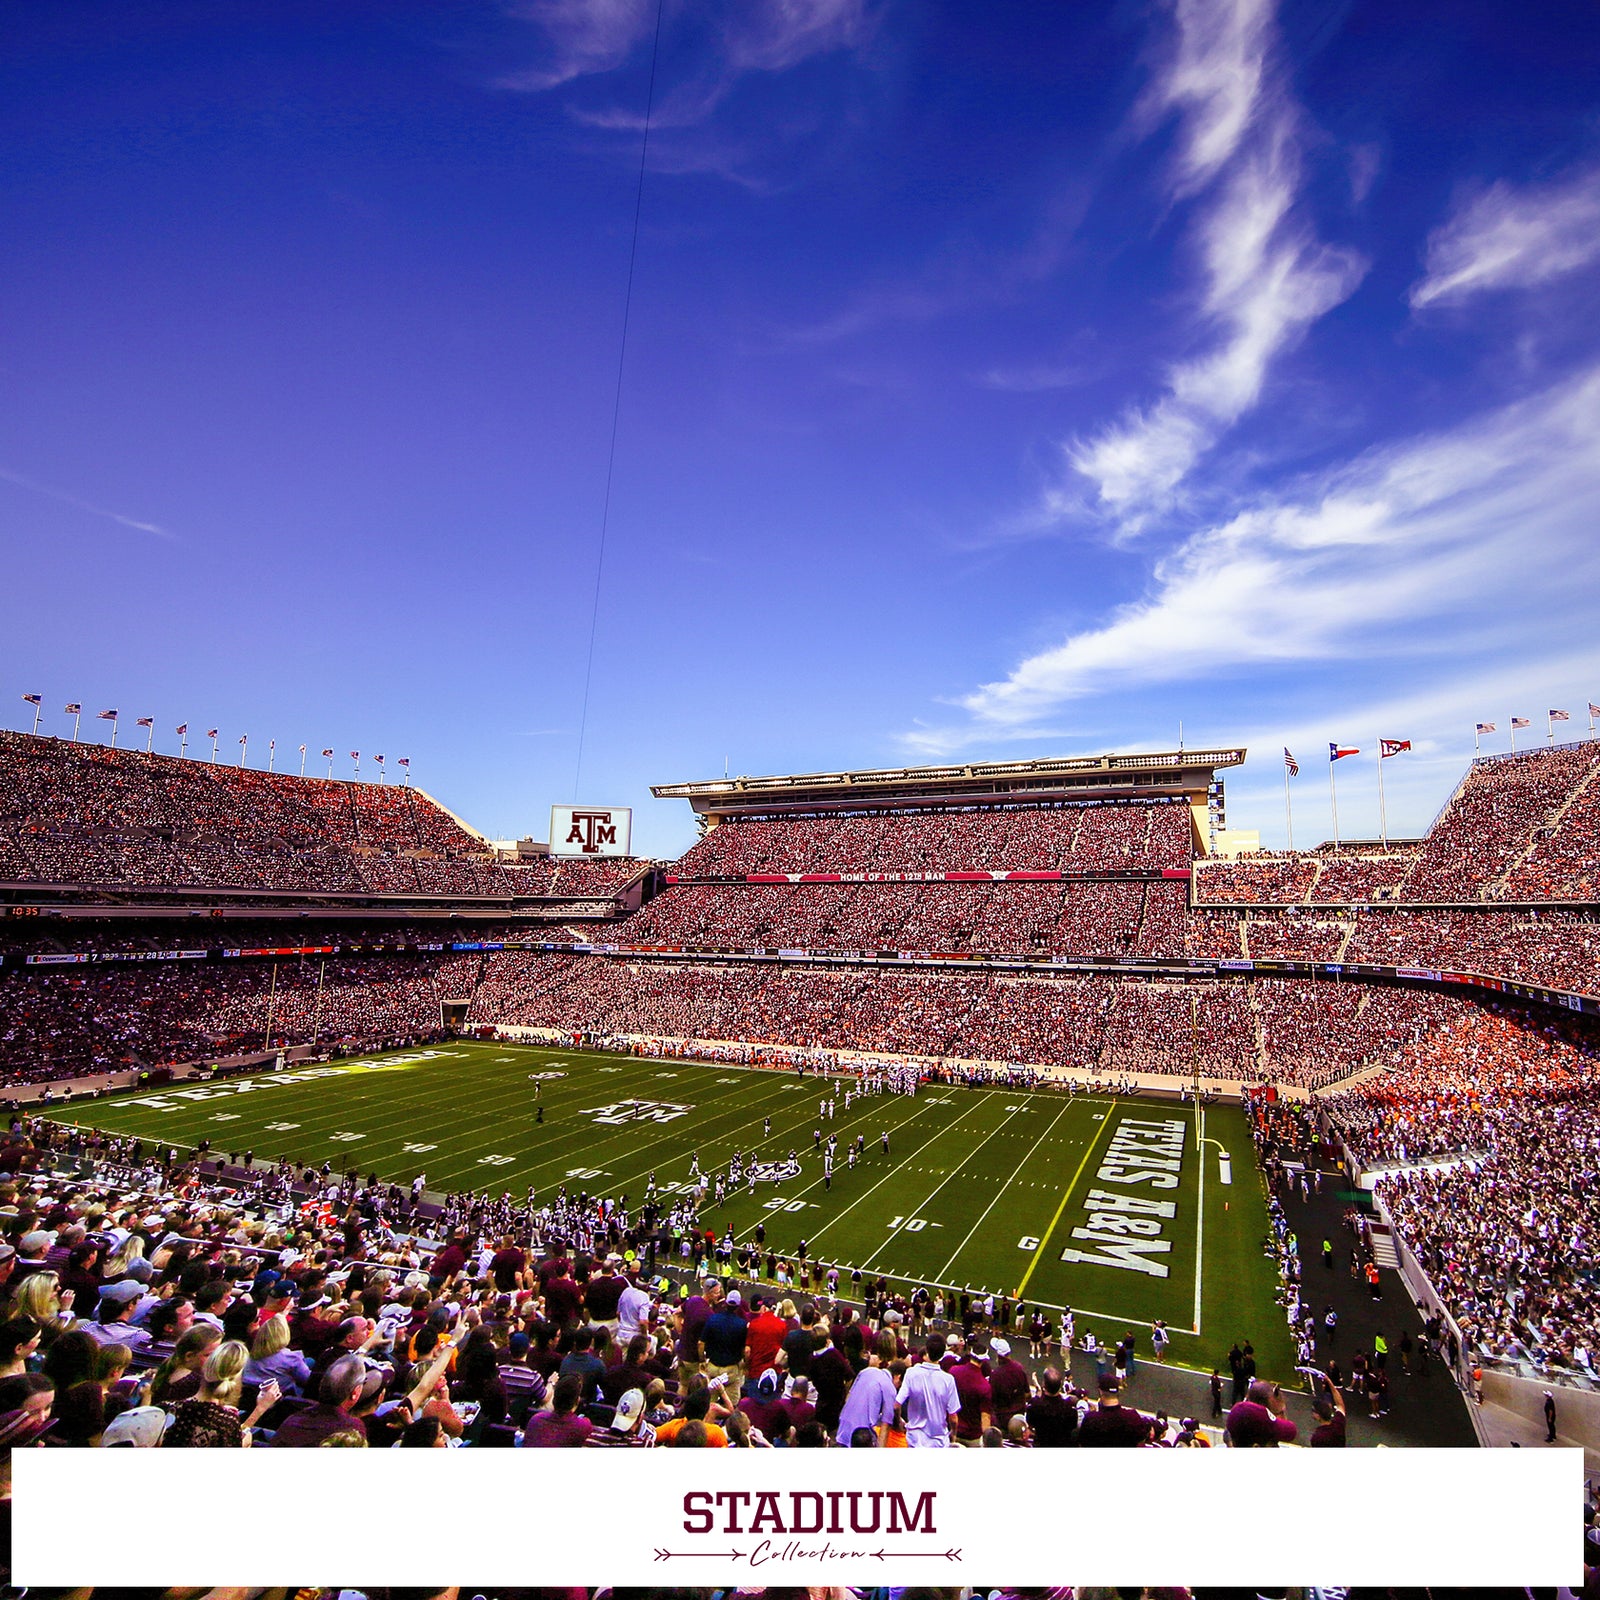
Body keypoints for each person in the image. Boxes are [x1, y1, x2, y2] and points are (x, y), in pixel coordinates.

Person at [899, 1333, 960, 1448]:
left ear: (926, 1350)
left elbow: (897, 1404)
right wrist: (953, 1432)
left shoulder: (911, 1373)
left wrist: (900, 1421)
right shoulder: (948, 1380)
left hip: (914, 1438)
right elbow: (953, 1417)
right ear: (942, 1354)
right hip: (938, 1440)